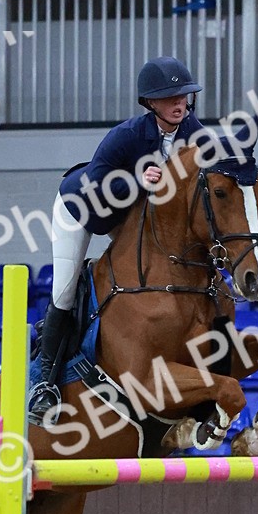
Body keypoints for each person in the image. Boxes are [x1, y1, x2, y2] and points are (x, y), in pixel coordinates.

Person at [28, 56, 204, 420]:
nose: (179, 103)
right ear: (150, 103)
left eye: (184, 96)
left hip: (127, 216)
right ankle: (43, 383)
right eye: (170, 97)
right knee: (64, 291)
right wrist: (140, 180)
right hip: (82, 208)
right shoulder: (126, 135)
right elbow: (95, 184)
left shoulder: (194, 133)